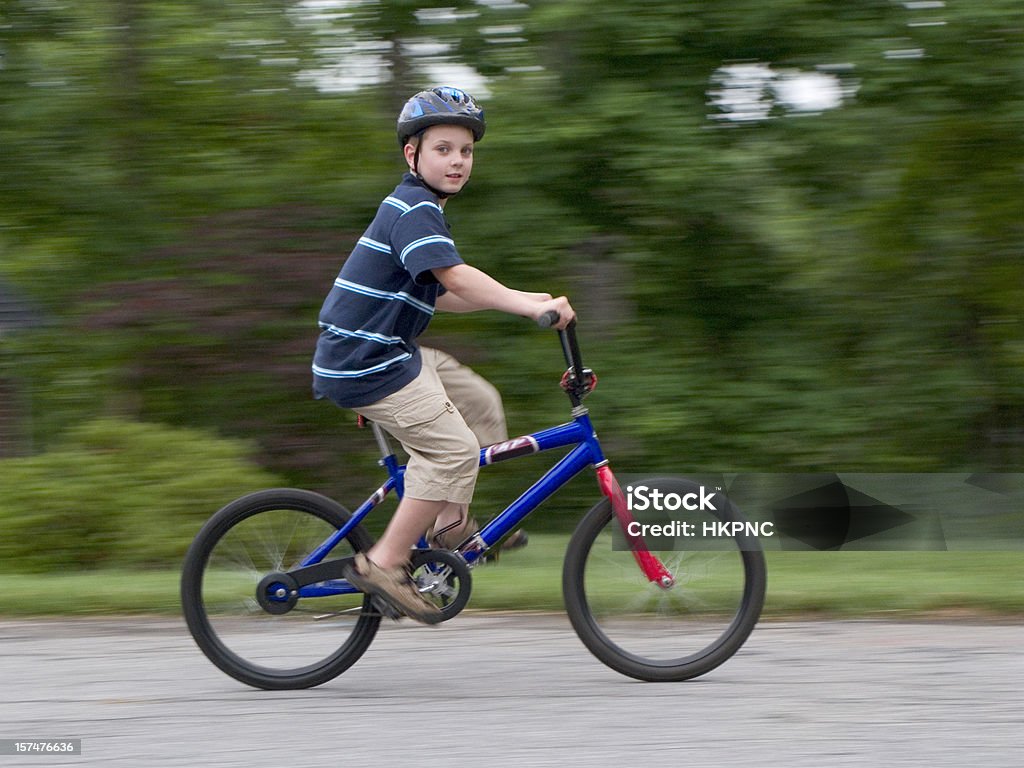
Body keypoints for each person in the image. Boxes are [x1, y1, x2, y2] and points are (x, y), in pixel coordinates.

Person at [312, 86, 574, 623]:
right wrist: (526, 310)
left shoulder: (423, 209)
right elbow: (455, 277)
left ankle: (450, 527)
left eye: (466, 151)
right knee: (453, 450)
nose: (457, 160)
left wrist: (528, 301)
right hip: (365, 362)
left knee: (480, 404)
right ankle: (384, 562)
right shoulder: (411, 208)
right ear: (413, 154)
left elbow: (445, 293)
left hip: (391, 353)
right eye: (443, 149)